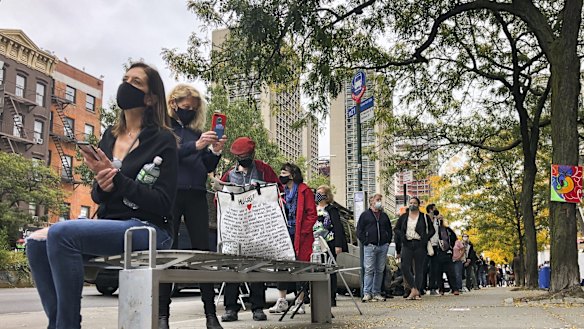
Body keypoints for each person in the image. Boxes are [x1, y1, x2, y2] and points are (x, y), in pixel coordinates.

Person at [26, 62, 178, 329]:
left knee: (63, 233)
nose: (126, 85)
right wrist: (103, 185)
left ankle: (67, 326)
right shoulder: (109, 136)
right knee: (35, 243)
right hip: (113, 223)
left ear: (151, 97)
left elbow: (163, 203)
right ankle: (60, 323)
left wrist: (117, 179)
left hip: (149, 228)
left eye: (136, 82)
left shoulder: (163, 140)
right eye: (125, 79)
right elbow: (99, 195)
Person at [158, 84, 227, 329]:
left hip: (197, 194)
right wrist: (196, 146)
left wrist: (215, 151)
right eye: (186, 107)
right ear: (174, 103)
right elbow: (167, 156)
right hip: (171, 194)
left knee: (203, 252)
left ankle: (210, 313)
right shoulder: (163, 128)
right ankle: (162, 315)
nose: (189, 111)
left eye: (193, 108)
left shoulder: (195, 131)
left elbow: (205, 166)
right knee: (167, 252)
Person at [219, 137, 282, 322]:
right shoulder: (229, 174)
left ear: (253, 154)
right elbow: (219, 199)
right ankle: (231, 308)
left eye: (246, 156)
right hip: (235, 226)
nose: (243, 159)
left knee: (256, 266)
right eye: (240, 156)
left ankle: (257, 307)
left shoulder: (264, 170)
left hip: (257, 225)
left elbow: (277, 192)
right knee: (232, 266)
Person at [268, 163, 318, 314]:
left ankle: (300, 300)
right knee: (281, 265)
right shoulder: (280, 192)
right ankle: (282, 300)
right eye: (281, 172)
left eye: (284, 172)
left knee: (300, 266)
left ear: (293, 175)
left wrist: (302, 232)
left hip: (300, 235)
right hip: (284, 233)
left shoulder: (304, 191)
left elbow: (311, 214)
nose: (281, 175)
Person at [394, 196, 435, 300]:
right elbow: (397, 229)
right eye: (411, 203)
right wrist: (402, 237)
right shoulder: (404, 217)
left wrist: (424, 239)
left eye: (414, 203)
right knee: (404, 266)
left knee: (419, 269)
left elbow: (432, 230)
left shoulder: (424, 217)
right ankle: (414, 289)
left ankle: (416, 291)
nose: (412, 205)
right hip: (407, 243)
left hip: (419, 244)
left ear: (418, 205)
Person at [314, 185, 349, 306]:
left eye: (321, 193)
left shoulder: (332, 209)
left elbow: (338, 227)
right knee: (317, 269)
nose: (319, 195)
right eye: (317, 192)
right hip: (316, 244)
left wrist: (338, 245)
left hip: (329, 242)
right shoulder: (313, 208)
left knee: (330, 270)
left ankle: (331, 297)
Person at [356, 193, 393, 302]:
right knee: (369, 269)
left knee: (380, 270)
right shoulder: (365, 215)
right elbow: (359, 230)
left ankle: (376, 292)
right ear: (371, 201)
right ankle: (367, 293)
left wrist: (387, 241)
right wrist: (365, 241)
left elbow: (389, 229)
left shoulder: (384, 215)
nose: (379, 202)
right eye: (377, 199)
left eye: (380, 200)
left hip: (382, 246)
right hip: (370, 246)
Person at [433, 215, 458, 295]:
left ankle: (454, 288)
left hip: (447, 253)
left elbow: (454, 237)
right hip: (437, 253)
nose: (439, 221)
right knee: (438, 272)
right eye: (437, 219)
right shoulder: (434, 230)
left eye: (440, 219)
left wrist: (450, 247)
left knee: (450, 272)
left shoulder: (447, 230)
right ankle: (441, 289)